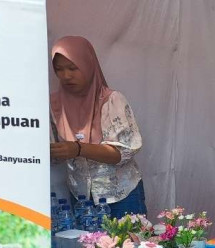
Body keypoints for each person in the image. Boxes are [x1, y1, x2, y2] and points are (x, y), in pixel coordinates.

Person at [49, 36, 147, 219]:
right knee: (84, 239)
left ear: (88, 64)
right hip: (81, 198)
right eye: (59, 69)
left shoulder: (111, 100)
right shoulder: (54, 104)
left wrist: (78, 149)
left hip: (120, 196)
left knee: (128, 238)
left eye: (73, 68)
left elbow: (123, 152)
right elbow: (53, 151)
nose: (66, 76)